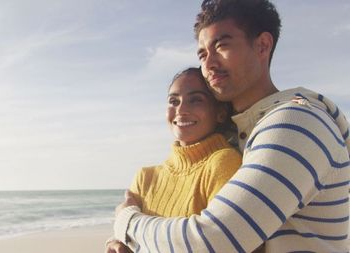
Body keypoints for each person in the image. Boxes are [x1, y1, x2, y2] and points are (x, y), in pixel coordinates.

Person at [110, 0, 350, 252]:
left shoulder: (297, 122)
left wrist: (127, 222)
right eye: (202, 54)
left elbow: (214, 240)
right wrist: (121, 242)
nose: (208, 64)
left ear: (262, 45)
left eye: (221, 45)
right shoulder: (241, 133)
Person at [105, 67, 242, 253]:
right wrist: (116, 242)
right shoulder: (145, 177)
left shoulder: (223, 162)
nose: (181, 110)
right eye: (173, 101)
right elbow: (130, 243)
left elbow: (218, 243)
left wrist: (126, 220)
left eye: (196, 100)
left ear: (220, 113)